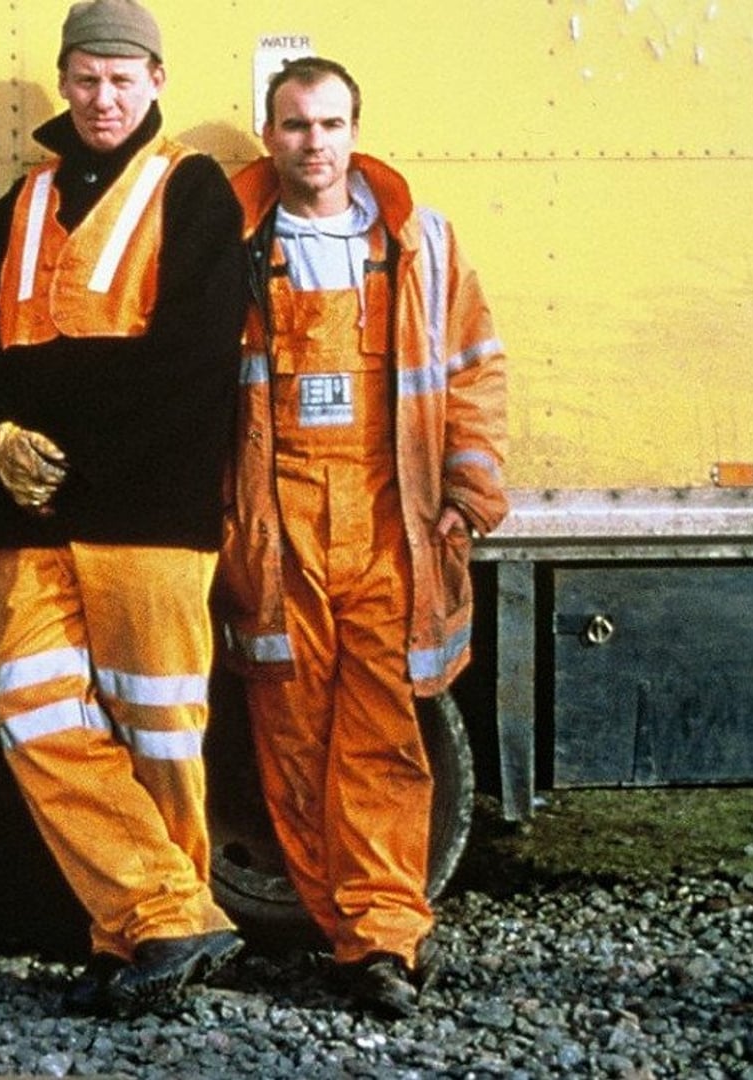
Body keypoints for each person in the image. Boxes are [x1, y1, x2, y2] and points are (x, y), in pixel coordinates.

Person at [0, 0, 246, 1018]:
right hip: (30, 513)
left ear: (157, 83)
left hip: (151, 515)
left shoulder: (193, 193)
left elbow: (195, 360)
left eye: (123, 79)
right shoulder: (21, 205)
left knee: (157, 732)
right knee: (30, 716)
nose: (102, 96)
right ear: (65, 85)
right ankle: (168, 915)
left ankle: (137, 941)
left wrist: (55, 427)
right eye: (85, 78)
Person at [221, 56, 508, 1019]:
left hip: (391, 520)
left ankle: (384, 942)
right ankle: (341, 928)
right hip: (277, 524)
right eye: (297, 125)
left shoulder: (420, 243)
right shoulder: (227, 244)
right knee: (292, 742)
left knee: (383, 739)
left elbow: (472, 371)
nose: (315, 144)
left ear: (356, 131)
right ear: (270, 135)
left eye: (331, 124)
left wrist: (468, 490)